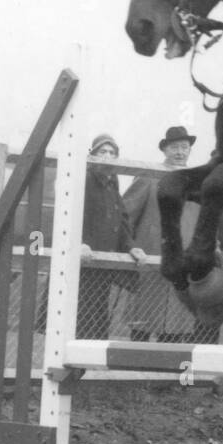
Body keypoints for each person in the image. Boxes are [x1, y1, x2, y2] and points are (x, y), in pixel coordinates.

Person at [124, 126, 203, 343]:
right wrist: (129, 246)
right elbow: (126, 215)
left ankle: (166, 372)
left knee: (177, 326)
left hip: (184, 264)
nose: (180, 152)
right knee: (144, 321)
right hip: (151, 261)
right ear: (165, 150)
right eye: (175, 147)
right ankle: (133, 369)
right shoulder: (149, 177)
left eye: (185, 147)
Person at [78, 133, 147, 340]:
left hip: (103, 263)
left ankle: (85, 367)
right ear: (93, 154)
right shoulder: (84, 179)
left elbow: (122, 219)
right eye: (102, 151)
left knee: (95, 319)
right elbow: (72, 213)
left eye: (112, 152)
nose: (107, 156)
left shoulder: (112, 182)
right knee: (77, 318)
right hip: (83, 260)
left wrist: (131, 246)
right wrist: (79, 243)